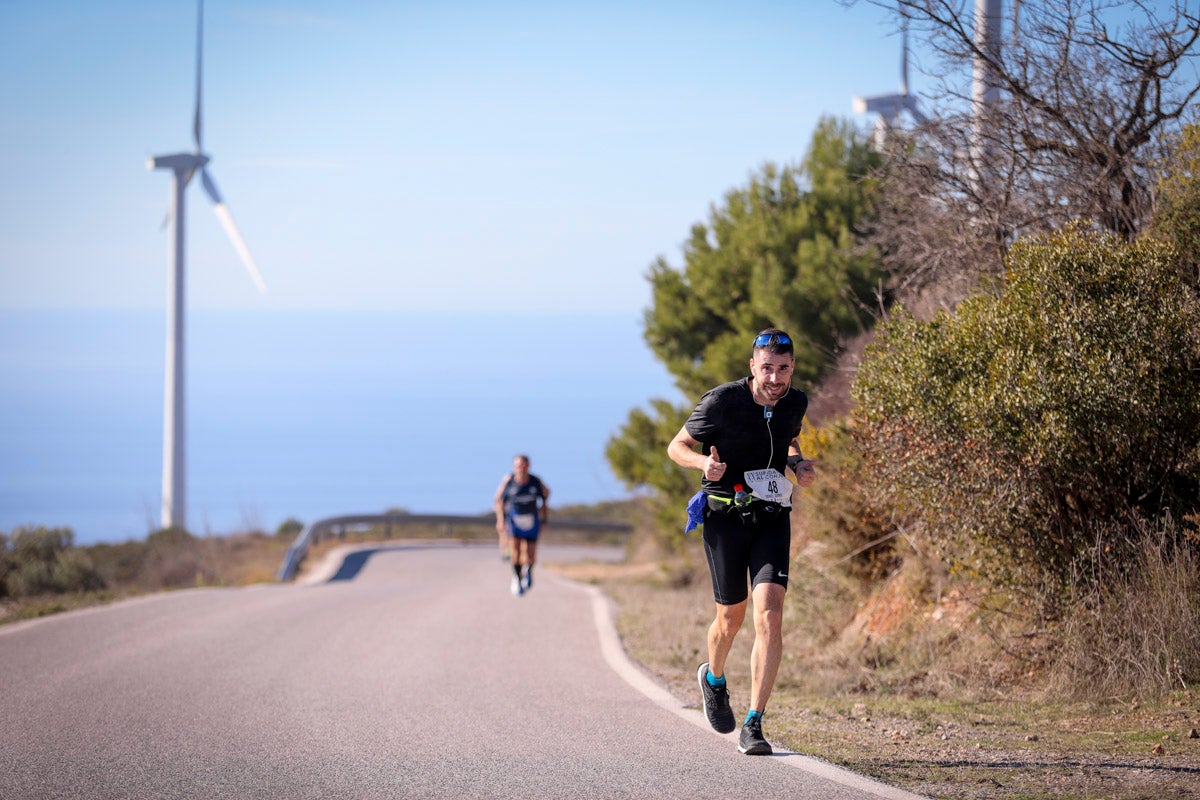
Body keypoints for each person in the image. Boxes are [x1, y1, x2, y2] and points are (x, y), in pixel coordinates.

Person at [667, 328, 817, 755]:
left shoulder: (796, 402)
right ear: (752, 366)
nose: (775, 378)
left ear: (792, 368)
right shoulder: (721, 402)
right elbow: (676, 446)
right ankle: (713, 679)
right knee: (730, 619)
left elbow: (788, 441)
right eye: (766, 368)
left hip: (772, 517)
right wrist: (701, 463)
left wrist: (799, 465)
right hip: (724, 518)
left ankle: (754, 723)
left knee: (769, 614)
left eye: (783, 369)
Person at [493, 454, 550, 597]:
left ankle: (529, 571)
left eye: (524, 465)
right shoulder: (509, 481)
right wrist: (500, 520)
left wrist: (544, 520)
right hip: (514, 521)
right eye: (518, 466)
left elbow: (545, 497)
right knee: (515, 552)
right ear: (514, 467)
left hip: (532, 520)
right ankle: (517, 579)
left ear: (528, 466)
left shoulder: (535, 481)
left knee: (530, 554)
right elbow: (498, 500)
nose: (521, 468)